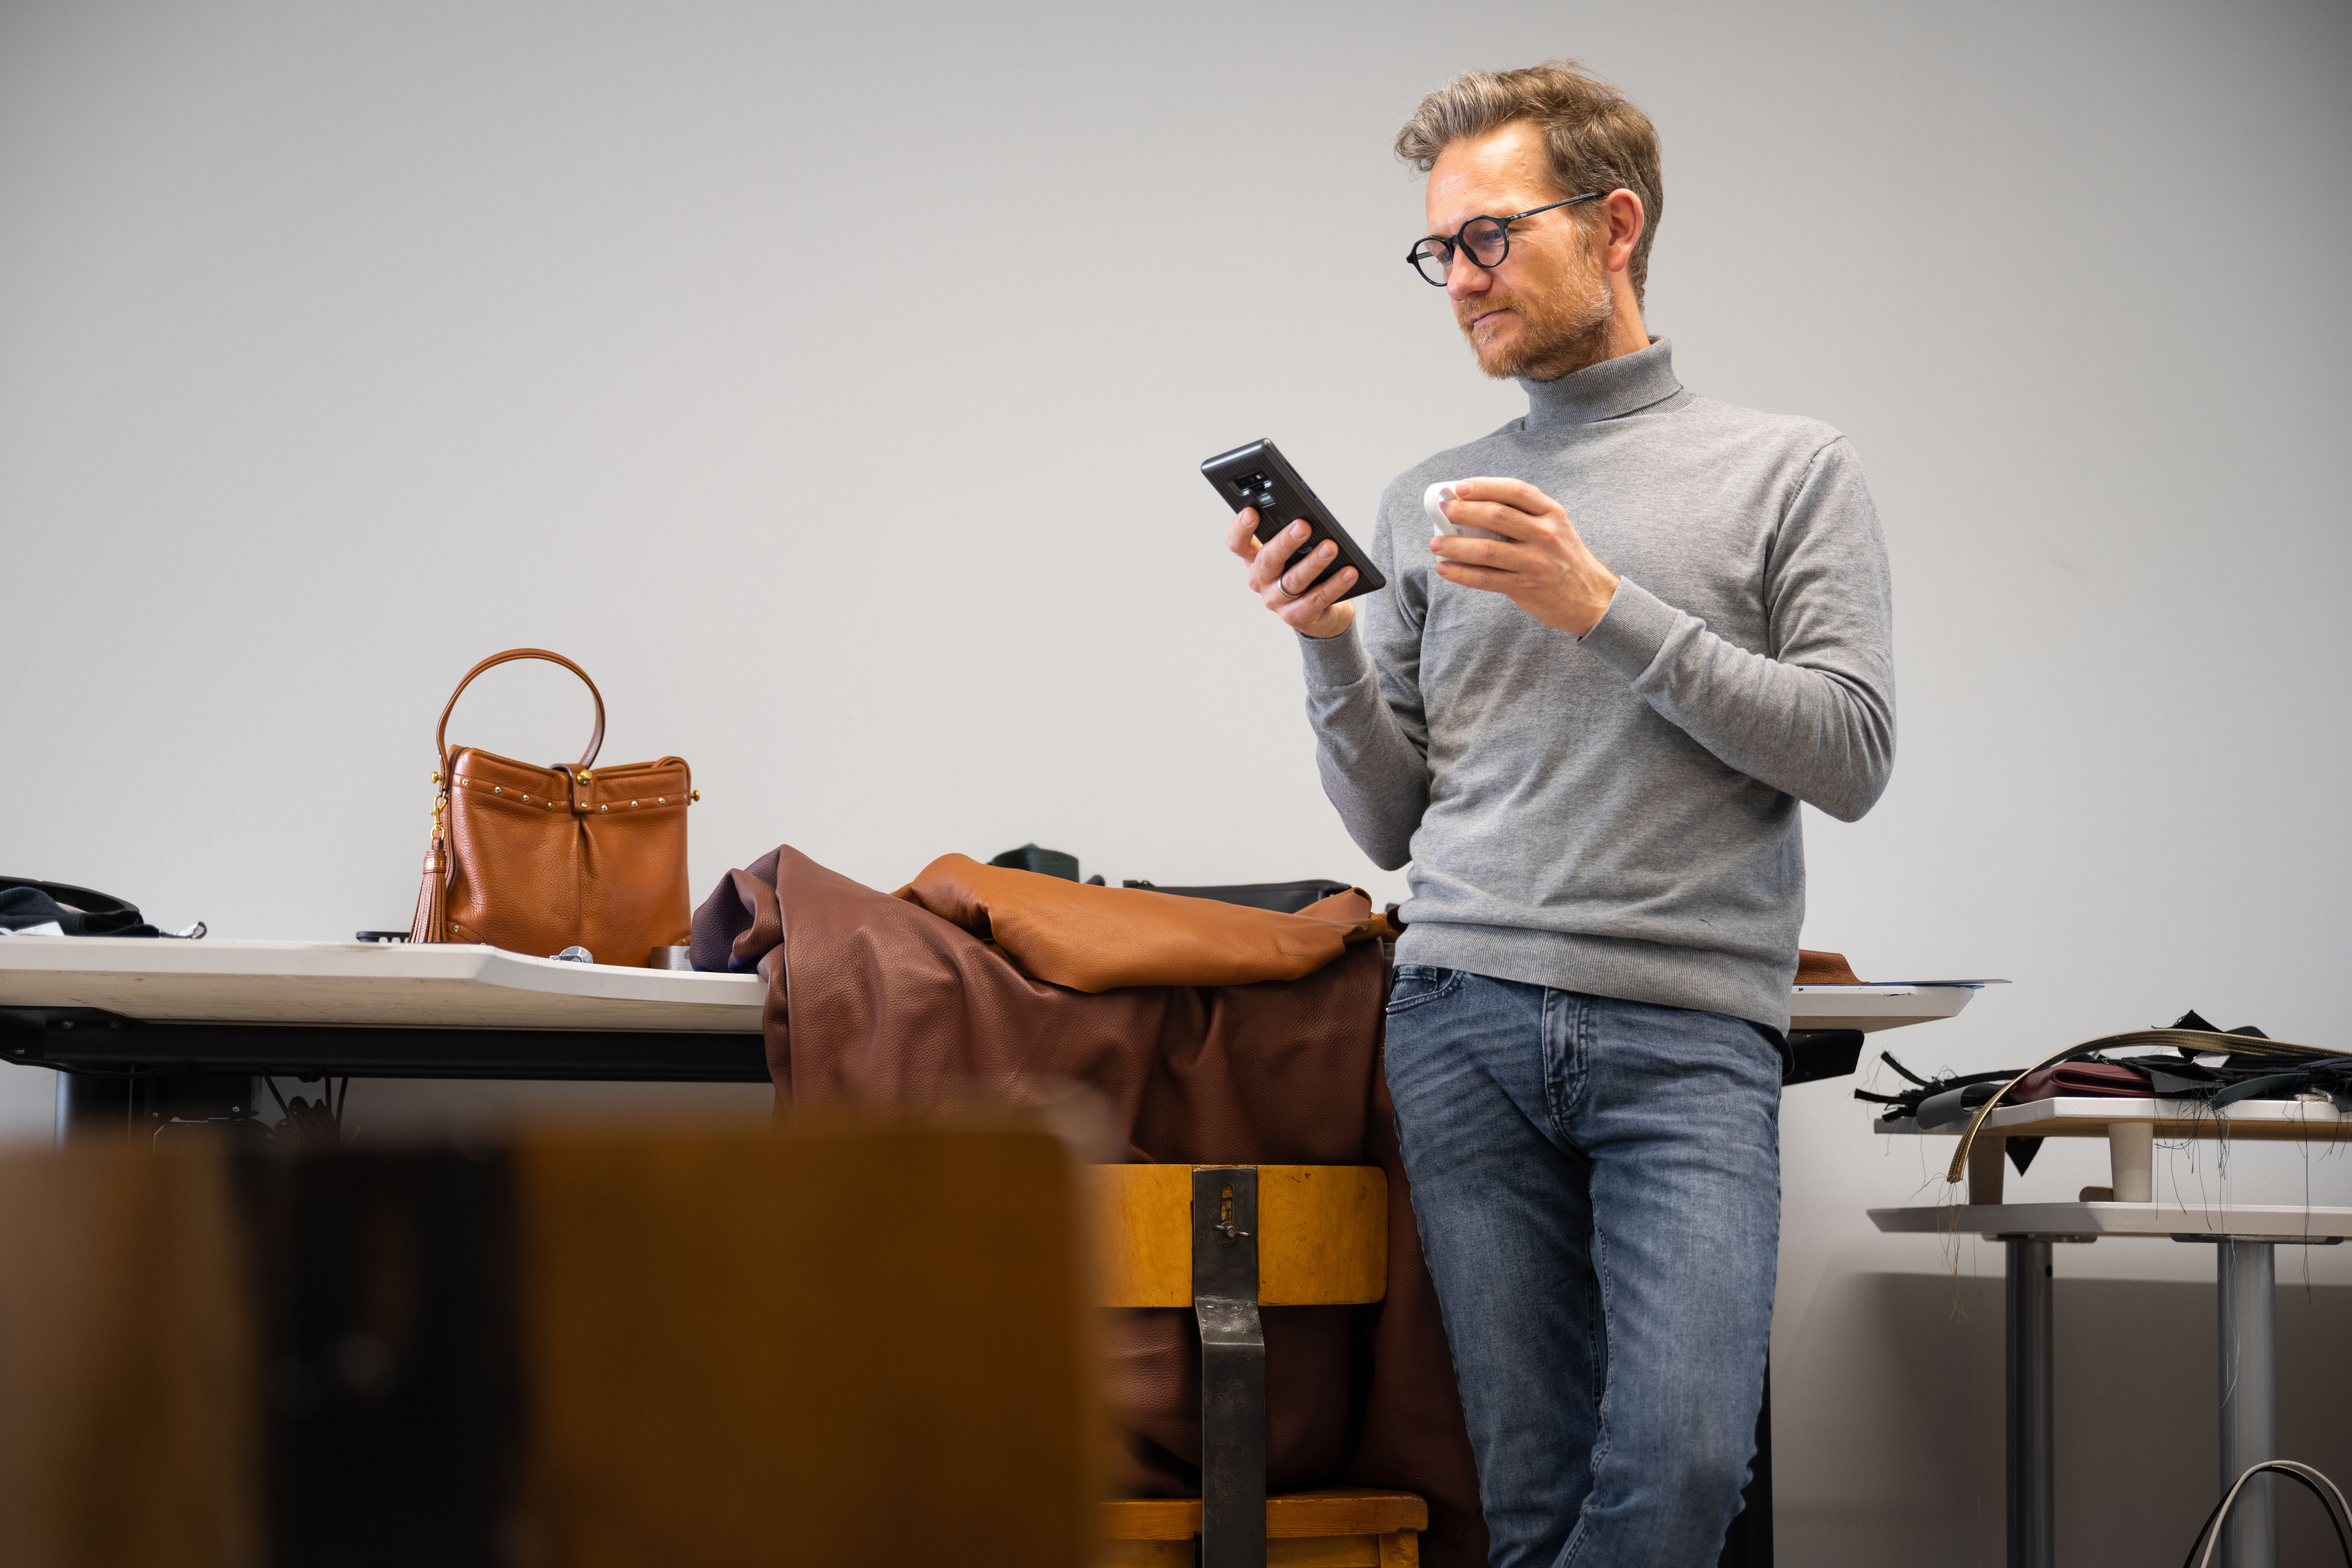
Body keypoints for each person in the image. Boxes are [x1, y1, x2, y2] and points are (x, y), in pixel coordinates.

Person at [1224, 61, 1895, 1567]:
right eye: (1436, 252)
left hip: (1686, 1037)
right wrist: (1325, 642)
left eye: (1489, 238)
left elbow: (1850, 753)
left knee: (1677, 1479)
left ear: (1616, 224)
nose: (1459, 282)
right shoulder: (1426, 502)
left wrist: (1602, 607)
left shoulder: (1789, 471)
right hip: (1460, 1023)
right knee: (1528, 1509)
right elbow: (1391, 824)